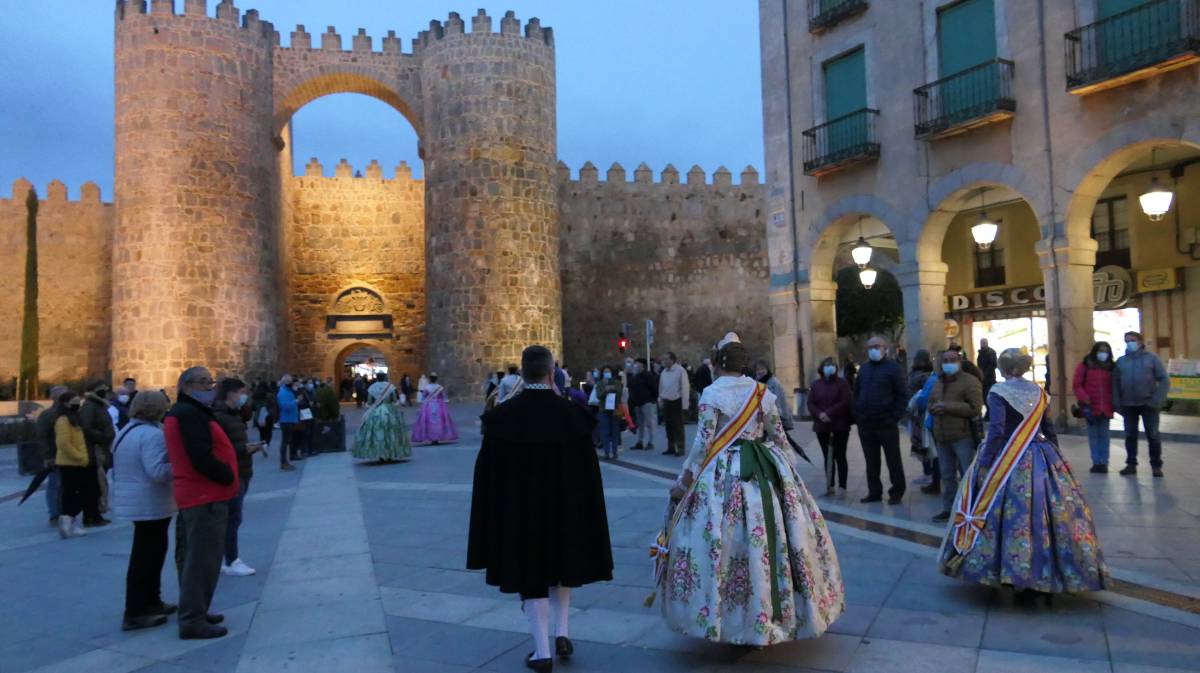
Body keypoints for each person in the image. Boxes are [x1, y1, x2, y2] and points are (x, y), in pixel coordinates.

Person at [657, 334, 844, 645]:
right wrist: (790, 478)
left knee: (722, 542)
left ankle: (726, 615)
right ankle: (778, 610)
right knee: (777, 541)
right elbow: (779, 437)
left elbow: (704, 445)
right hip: (764, 470)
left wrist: (685, 478)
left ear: (718, 362)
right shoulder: (762, 392)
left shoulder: (711, 393)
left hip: (722, 474)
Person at [468, 345, 613, 672]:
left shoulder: (501, 418)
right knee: (563, 566)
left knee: (532, 574)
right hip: (566, 508)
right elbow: (589, 473)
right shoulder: (574, 416)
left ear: (521, 374)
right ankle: (562, 632)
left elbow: (486, 474)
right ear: (552, 374)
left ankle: (542, 651)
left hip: (522, 512)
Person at [940, 348, 1107, 599]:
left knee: (1005, 514)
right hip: (1041, 456)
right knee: (1046, 514)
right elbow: (1048, 428)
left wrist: (985, 462)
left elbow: (996, 430)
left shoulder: (998, 392)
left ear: (1003, 368)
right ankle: (1045, 571)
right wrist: (1057, 460)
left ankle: (1003, 569)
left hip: (1007, 458)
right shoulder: (1039, 392)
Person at [164, 367, 239, 640]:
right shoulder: (187, 414)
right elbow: (200, 456)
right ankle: (193, 620)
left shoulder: (190, 412)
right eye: (201, 382)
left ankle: (197, 609)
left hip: (204, 494)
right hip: (203, 494)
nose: (208, 387)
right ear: (185, 385)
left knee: (201, 558)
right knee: (201, 560)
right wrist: (227, 474)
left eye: (210, 382)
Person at [110, 391, 176, 631]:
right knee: (147, 558)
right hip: (149, 503)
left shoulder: (127, 430)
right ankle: (137, 611)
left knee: (149, 555)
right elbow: (157, 472)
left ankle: (152, 601)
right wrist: (178, 463)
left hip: (137, 502)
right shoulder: (151, 435)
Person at [927, 349, 983, 523]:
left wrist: (947, 406)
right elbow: (931, 402)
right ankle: (949, 508)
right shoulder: (938, 381)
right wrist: (933, 408)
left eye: (952, 359)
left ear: (959, 361)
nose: (948, 363)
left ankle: (973, 507)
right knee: (947, 475)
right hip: (942, 435)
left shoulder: (970, 381)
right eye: (945, 360)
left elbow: (976, 408)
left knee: (968, 473)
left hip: (962, 435)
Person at [854, 335, 907, 504]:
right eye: (870, 347)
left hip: (886, 423)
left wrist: (894, 417)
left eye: (877, 346)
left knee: (893, 460)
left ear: (885, 348)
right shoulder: (864, 369)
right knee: (871, 461)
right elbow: (856, 392)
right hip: (866, 424)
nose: (873, 350)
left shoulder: (893, 368)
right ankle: (874, 492)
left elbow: (902, 394)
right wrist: (858, 414)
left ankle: (897, 491)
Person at [212, 378, 258, 577]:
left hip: (242, 469)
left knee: (233, 519)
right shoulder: (219, 416)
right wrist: (243, 449)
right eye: (240, 392)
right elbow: (219, 448)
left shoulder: (234, 414)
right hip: (233, 472)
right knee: (232, 518)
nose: (243, 396)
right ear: (230, 393)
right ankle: (231, 559)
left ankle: (224, 558)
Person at [1113, 331, 1168, 477]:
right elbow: (1115, 383)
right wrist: (1117, 403)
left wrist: (1156, 399)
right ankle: (1131, 464)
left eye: (1132, 340)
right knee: (1130, 435)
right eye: (1127, 340)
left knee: (1153, 435)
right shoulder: (1121, 361)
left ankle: (1156, 465)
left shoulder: (1152, 359)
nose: (1129, 343)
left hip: (1149, 403)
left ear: (1140, 341)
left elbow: (1164, 380)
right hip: (1128, 404)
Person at [53, 392, 100, 538]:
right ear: (65, 403)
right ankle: (68, 520)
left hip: (79, 462)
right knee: (74, 493)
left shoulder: (75, 419)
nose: (77, 404)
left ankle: (70, 521)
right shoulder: (63, 420)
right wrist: (80, 457)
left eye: (77, 401)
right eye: (73, 401)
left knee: (79, 493)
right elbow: (64, 444)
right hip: (71, 463)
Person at [807, 356, 854, 496]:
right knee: (827, 456)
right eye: (827, 364)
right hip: (822, 426)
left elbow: (845, 401)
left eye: (832, 365)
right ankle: (830, 484)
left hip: (840, 425)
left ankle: (842, 486)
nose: (830, 367)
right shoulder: (816, 385)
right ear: (822, 368)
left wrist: (829, 413)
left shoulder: (842, 383)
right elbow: (811, 403)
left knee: (840, 456)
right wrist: (820, 414)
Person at [1073, 342, 1116, 473]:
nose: (1103, 353)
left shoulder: (1112, 367)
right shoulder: (1085, 365)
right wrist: (1084, 397)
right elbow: (1077, 384)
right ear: (1095, 351)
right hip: (1090, 406)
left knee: (1104, 435)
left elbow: (1116, 385)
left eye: (1106, 351)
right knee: (1093, 435)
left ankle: (1104, 462)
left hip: (1107, 407)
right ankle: (1096, 462)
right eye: (1101, 350)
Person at [353, 373, 413, 463]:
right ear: (385, 377)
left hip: (376, 412)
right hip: (389, 411)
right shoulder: (390, 387)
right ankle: (390, 454)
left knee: (377, 432)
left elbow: (369, 402)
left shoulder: (372, 388)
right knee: (391, 432)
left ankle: (380, 454)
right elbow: (394, 400)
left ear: (377, 378)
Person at [79, 379, 115, 524]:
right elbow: (86, 427)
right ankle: (91, 515)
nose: (105, 391)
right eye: (102, 389)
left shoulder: (98, 405)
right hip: (95, 449)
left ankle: (96, 513)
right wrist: (103, 437)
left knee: (99, 482)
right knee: (94, 484)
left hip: (102, 448)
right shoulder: (90, 406)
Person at [35, 385, 69, 526]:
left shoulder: (70, 412)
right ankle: (54, 514)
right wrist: (47, 456)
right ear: (54, 398)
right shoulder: (47, 415)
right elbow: (42, 437)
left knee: (67, 485)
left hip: (70, 455)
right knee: (55, 485)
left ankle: (65, 512)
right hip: (55, 456)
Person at [906, 350, 935, 485]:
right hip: (919, 414)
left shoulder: (922, 376)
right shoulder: (928, 374)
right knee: (925, 444)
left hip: (921, 414)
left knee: (925, 444)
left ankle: (929, 473)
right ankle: (929, 473)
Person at [658, 352, 690, 457]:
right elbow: (661, 387)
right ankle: (671, 447)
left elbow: (685, 387)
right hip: (666, 401)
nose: (665, 361)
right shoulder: (664, 372)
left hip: (677, 401)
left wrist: (685, 405)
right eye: (664, 359)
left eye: (667, 359)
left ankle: (680, 448)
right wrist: (660, 399)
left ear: (672, 360)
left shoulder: (680, 370)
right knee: (668, 426)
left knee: (678, 427)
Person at [412, 373, 458, 444]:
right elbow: (444, 397)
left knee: (428, 421)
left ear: (430, 379)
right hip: (439, 405)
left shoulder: (427, 387)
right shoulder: (440, 387)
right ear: (436, 379)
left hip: (429, 406)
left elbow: (423, 397)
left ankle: (431, 437)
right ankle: (438, 437)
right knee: (440, 421)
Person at [755, 359, 794, 434]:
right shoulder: (755, 383)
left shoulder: (774, 382)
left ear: (767, 369)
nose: (760, 371)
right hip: (760, 418)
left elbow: (780, 401)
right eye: (758, 369)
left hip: (774, 416)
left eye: (762, 368)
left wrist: (781, 418)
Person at [593, 365, 624, 460]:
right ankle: (607, 452)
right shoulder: (599, 383)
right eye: (605, 372)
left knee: (615, 431)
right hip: (603, 409)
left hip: (616, 408)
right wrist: (606, 391)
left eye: (608, 371)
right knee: (604, 431)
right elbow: (599, 396)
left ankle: (615, 452)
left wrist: (611, 388)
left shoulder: (617, 382)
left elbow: (619, 394)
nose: (607, 373)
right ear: (602, 373)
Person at [629, 358, 658, 451]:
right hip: (637, 403)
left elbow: (654, 388)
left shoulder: (648, 375)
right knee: (640, 424)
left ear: (642, 366)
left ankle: (651, 442)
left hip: (647, 402)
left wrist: (653, 399)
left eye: (637, 364)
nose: (635, 366)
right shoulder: (634, 376)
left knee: (650, 423)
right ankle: (640, 441)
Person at [276, 375, 299, 471]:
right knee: (285, 442)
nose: (292, 383)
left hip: (290, 419)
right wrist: (296, 401)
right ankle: (283, 462)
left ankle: (285, 462)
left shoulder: (288, 391)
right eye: (290, 381)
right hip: (286, 420)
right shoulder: (283, 392)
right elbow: (285, 407)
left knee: (287, 442)